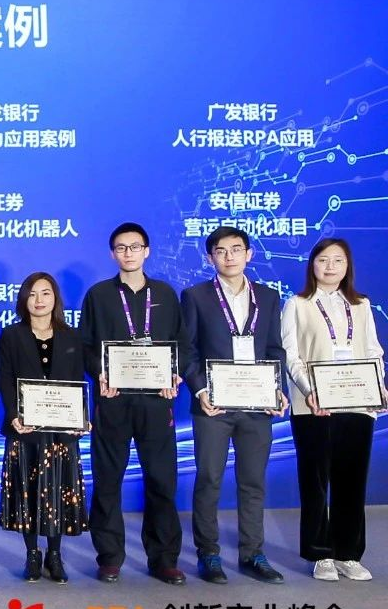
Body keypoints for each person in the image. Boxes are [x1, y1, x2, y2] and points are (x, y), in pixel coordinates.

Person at [80, 222, 189, 585]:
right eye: (121, 248)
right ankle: (109, 557)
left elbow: (181, 344)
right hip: (114, 401)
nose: (128, 253)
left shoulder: (166, 294)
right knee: (107, 480)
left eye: (135, 247)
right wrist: (100, 374)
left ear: (147, 251)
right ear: (113, 254)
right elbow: (86, 346)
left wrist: (174, 374)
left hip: (157, 402)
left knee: (161, 481)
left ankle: (164, 559)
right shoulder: (98, 295)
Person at [181, 226, 287, 584]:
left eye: (236, 249)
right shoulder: (195, 296)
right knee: (209, 479)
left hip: (257, 405)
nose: (229, 257)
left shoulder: (268, 297)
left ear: (249, 254)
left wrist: (277, 389)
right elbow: (188, 350)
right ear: (210, 257)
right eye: (221, 251)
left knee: (253, 481)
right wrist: (200, 390)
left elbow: (274, 348)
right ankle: (208, 553)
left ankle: (252, 553)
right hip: (213, 406)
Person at [281, 238, 383, 582]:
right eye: (323, 259)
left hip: (357, 402)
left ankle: (348, 554)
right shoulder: (297, 304)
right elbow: (291, 356)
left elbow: (373, 351)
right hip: (313, 406)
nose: (330, 266)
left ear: (347, 266)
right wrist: (310, 391)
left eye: (338, 260)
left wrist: (379, 387)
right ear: (312, 264)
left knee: (352, 481)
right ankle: (320, 554)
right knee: (315, 482)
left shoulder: (361, 305)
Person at [0, 272, 88, 584]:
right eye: (32, 294)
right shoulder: (11, 335)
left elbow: (77, 382)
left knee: (57, 492)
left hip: (61, 430)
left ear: (55, 298)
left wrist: (80, 418)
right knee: (28, 491)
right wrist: (14, 415)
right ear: (24, 299)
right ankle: (32, 554)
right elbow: (6, 380)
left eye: (45, 293)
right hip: (26, 429)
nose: (39, 300)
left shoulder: (72, 337)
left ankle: (55, 554)